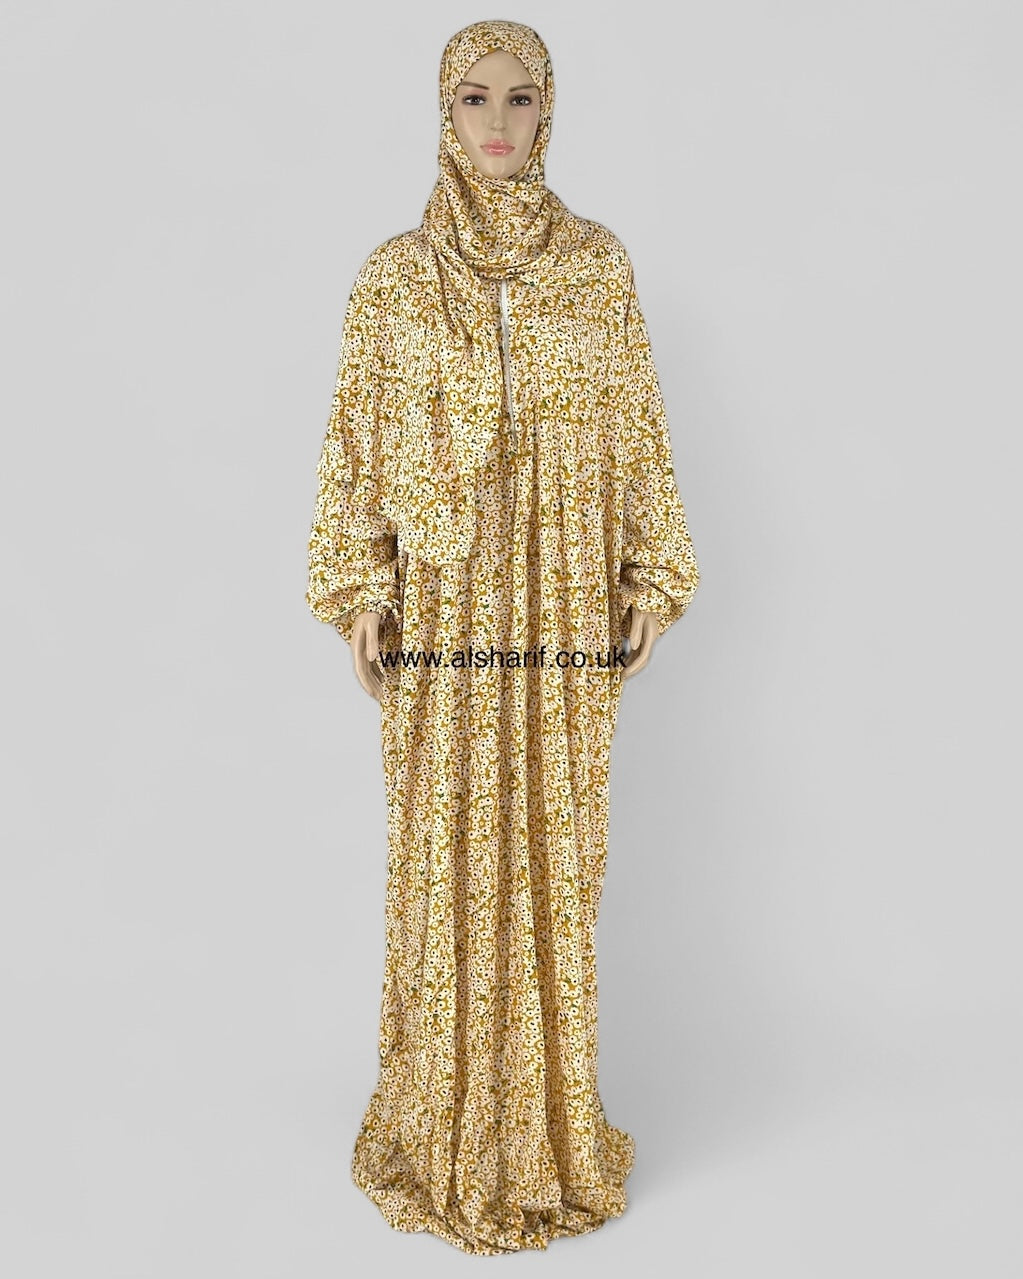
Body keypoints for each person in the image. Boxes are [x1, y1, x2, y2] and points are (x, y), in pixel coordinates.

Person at [306, 18, 699, 1255]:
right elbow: (353, 445)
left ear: (549, 111)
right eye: (473, 96)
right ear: (443, 108)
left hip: (564, 616)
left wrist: (650, 572)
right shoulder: (393, 278)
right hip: (444, 618)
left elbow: (637, 428)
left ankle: (546, 1140)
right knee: (442, 866)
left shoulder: (597, 267)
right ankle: (442, 1132)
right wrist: (362, 591)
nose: (496, 121)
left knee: (555, 866)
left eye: (519, 98)